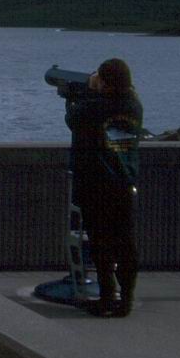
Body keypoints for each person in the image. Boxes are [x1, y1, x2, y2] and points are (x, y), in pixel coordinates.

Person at [65, 58, 143, 317]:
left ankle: (108, 297)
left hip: (97, 185)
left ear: (107, 83)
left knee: (100, 244)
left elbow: (73, 119)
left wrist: (87, 90)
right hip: (124, 183)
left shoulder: (94, 107)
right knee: (126, 243)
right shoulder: (134, 105)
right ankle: (126, 300)